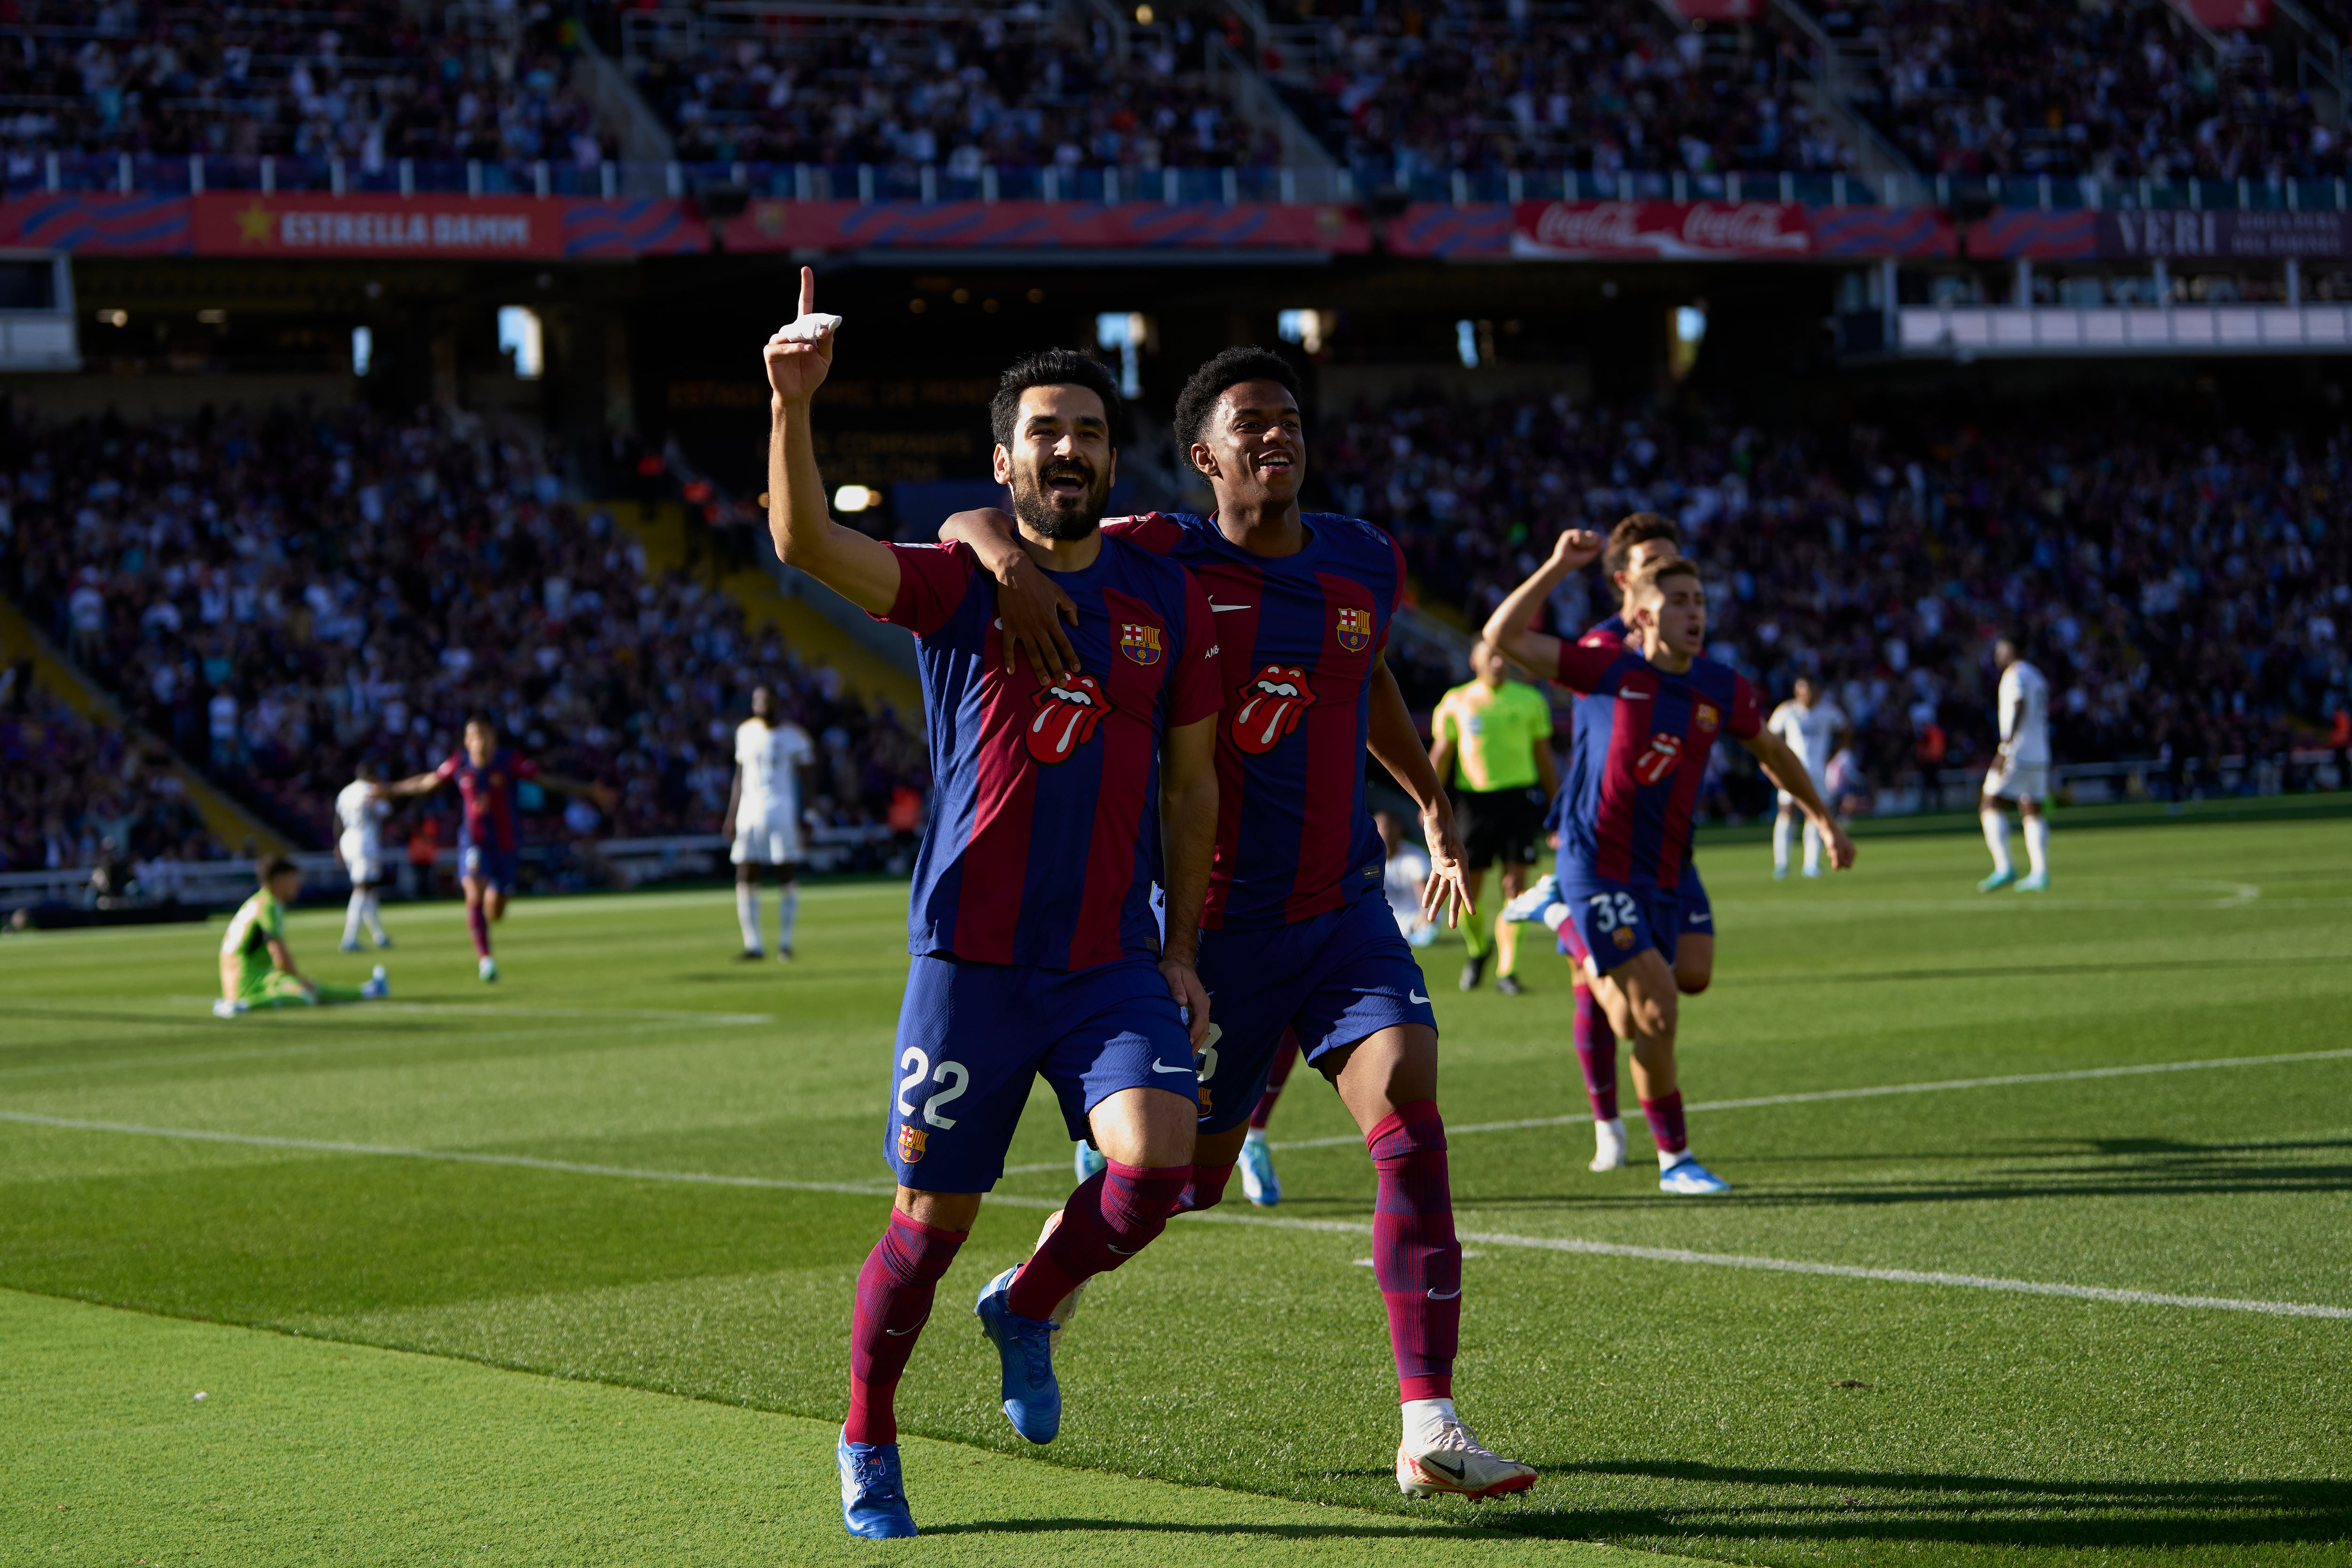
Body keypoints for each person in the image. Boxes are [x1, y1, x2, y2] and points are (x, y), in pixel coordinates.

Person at [946, 344, 1534, 1503]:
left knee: (1408, 1094)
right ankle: (1024, 1298)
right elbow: (986, 517)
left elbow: (1365, 683)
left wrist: (1425, 795)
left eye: (1288, 418)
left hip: (1343, 910)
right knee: (1181, 1187)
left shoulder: (1365, 560)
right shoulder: (1161, 554)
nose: (1276, 435)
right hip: (1216, 937)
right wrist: (996, 551)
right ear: (1202, 456)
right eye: (1249, 423)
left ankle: (1428, 1425)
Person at [763, 271, 1222, 1541]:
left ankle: (1029, 1303)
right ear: (1006, 460)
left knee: (1155, 1170)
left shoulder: (1162, 589)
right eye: (1044, 432)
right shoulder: (957, 586)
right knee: (927, 1227)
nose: (1067, 448)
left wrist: (1181, 947)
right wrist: (791, 406)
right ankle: (867, 1428)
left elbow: (1192, 787)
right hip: (968, 961)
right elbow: (803, 543)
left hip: (1104, 961)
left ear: (1111, 459)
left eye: (1086, 430)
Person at [1486, 537, 1855, 1195]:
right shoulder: (1609, 668)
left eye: (1701, 600)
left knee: (1675, 989)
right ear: (1644, 614)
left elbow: (1770, 750)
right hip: (1597, 864)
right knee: (1655, 1011)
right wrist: (1558, 567)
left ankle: (1564, 925)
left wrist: (1823, 818)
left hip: (1665, 867)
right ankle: (1675, 1159)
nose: (1695, 612)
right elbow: (1504, 635)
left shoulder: (1721, 686)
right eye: (1678, 601)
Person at [1500, 512, 1714, 1172]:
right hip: (1595, 842)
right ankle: (1610, 1127)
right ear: (1626, 580)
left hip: (1667, 846)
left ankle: (1563, 921)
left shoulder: (1684, 647)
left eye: (1675, 566)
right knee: (1609, 998)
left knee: (1689, 977)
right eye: (1654, 567)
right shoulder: (1603, 649)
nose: (1669, 576)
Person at [381, 717, 607, 981]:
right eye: (474, 735)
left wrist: (587, 790)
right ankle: (486, 960)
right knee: (473, 890)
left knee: (495, 910)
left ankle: (491, 911)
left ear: (493, 739)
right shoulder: (459, 763)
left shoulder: (508, 761)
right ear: (467, 741)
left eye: (484, 734)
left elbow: (546, 781)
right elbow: (427, 782)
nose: (479, 740)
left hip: (506, 845)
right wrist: (392, 789)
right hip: (474, 842)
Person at [1430, 638, 1558, 995]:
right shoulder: (1457, 701)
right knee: (1469, 886)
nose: (1499, 662)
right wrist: (1427, 804)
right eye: (1491, 655)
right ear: (1474, 659)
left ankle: (1507, 970)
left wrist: (1557, 805)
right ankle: (1479, 949)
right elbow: (1440, 755)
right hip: (1474, 804)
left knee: (1514, 886)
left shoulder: (1530, 699)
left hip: (1518, 800)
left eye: (1503, 655)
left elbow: (1545, 757)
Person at [215, 854, 387, 1017]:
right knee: (304, 996)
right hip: (249, 980)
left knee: (310, 987)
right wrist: (296, 979)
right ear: (279, 880)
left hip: (243, 977)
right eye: (293, 878)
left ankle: (368, 990)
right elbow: (278, 954)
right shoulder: (269, 905)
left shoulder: (257, 901)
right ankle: (243, 1006)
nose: (297, 884)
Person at [724, 684, 815, 960]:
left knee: (785, 872)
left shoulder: (794, 736)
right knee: (745, 873)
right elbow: (739, 776)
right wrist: (731, 814)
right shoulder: (744, 731)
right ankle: (754, 945)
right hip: (749, 813)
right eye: (756, 699)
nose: (760, 704)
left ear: (777, 701)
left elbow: (809, 778)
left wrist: (808, 814)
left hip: (782, 811)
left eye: (765, 699)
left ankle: (785, 943)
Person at [1979, 635, 2051, 892]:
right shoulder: (2037, 675)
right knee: (2032, 809)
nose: (1997, 653)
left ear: (2013, 648)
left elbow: (2019, 703)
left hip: (2018, 753)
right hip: (2041, 752)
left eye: (2001, 648)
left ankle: (2004, 867)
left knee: (1990, 802)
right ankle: (2040, 873)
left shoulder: (2015, 675)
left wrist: (2005, 747)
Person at [1766, 677, 1849, 880]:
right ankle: (1782, 864)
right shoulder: (1787, 711)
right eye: (1802, 690)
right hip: (1791, 771)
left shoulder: (1828, 711)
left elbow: (1846, 731)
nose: (1806, 695)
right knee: (1787, 813)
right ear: (1796, 692)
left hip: (1818, 773)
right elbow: (1770, 737)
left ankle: (1811, 864)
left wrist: (1832, 756)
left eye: (1810, 690)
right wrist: (1780, 760)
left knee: (1816, 815)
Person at [335, 760, 393, 950]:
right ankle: (349, 938)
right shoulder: (371, 790)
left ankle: (379, 935)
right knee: (362, 889)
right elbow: (386, 811)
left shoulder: (345, 792)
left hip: (347, 840)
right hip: (365, 841)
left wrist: (337, 845)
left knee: (368, 891)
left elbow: (337, 820)